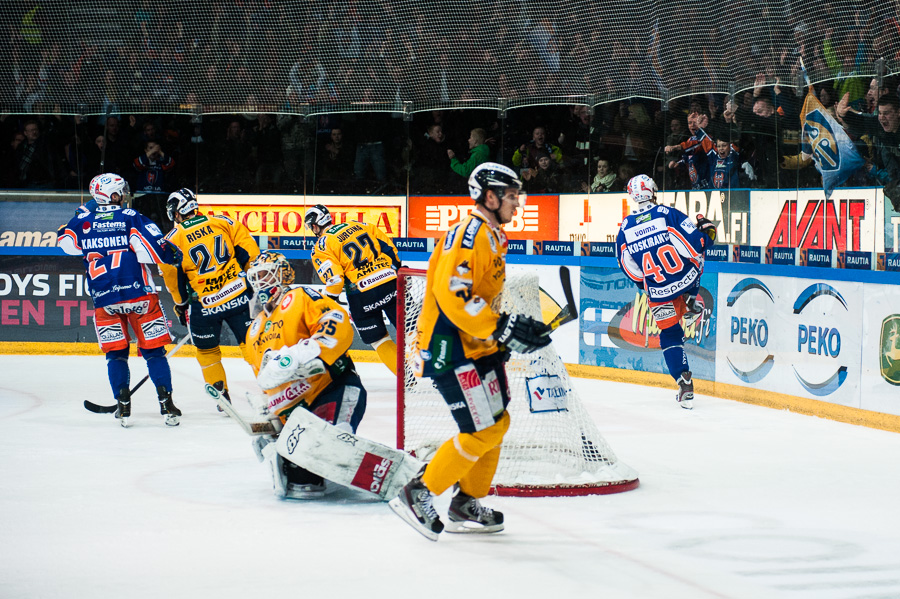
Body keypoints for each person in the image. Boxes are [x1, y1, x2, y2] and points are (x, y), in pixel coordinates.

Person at [389, 163, 552, 541]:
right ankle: (418, 492)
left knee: (497, 423)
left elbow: (481, 297)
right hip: (450, 347)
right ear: (490, 197)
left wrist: (501, 336)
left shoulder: (493, 236)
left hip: (476, 345)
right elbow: (454, 294)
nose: (517, 202)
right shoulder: (468, 235)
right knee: (480, 430)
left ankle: (467, 501)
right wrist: (499, 328)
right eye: (511, 195)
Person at [57, 173, 181, 427]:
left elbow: (65, 242)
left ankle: (123, 405)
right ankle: (166, 403)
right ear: (113, 194)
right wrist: (173, 254)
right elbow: (157, 249)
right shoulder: (130, 217)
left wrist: (85, 211)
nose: (124, 194)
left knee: (116, 355)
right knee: (154, 353)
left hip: (104, 299)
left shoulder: (84, 221)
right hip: (139, 296)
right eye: (120, 191)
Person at [244, 251, 368, 499]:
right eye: (255, 277)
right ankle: (293, 460)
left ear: (283, 274)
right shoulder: (254, 330)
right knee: (302, 483)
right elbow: (268, 379)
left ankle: (338, 453)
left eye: (266, 274)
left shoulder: (299, 297)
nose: (260, 282)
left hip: (332, 387)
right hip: (297, 408)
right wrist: (270, 419)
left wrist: (303, 353)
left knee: (330, 442)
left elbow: (335, 319)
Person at [615, 174, 716, 410]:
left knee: (670, 335)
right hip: (686, 279)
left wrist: (647, 284)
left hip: (658, 292)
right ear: (653, 191)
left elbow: (628, 268)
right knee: (697, 257)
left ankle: (683, 381)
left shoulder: (625, 228)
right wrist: (709, 234)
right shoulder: (666, 214)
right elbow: (694, 245)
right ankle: (691, 295)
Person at [159, 188, 260, 409]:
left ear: (175, 213)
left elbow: (172, 278)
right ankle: (274, 388)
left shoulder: (172, 240)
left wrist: (181, 304)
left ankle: (221, 395)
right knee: (252, 344)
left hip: (204, 306)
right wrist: (250, 280)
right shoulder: (223, 222)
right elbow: (250, 253)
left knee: (207, 352)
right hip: (238, 297)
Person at [305, 204, 402, 375]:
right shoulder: (359, 224)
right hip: (389, 283)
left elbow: (335, 281)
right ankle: (435, 369)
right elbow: (390, 248)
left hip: (362, 296)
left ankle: (406, 378)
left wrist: (328, 302)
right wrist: (393, 269)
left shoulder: (322, 245)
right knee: (410, 330)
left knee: (379, 340)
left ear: (314, 225)